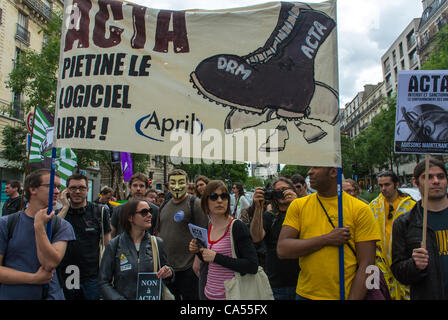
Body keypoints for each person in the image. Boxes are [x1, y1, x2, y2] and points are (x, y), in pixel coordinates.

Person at [277, 166, 380, 300]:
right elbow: (282, 249)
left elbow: (367, 264)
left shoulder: (360, 210)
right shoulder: (298, 205)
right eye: (310, 167)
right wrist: (326, 239)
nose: (309, 172)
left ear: (332, 172)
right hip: (304, 294)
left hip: (344, 295)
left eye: (316, 167)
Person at [0, 169, 75, 299]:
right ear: (32, 189)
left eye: (58, 187)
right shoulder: (6, 224)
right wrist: (34, 278)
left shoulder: (62, 226)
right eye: (51, 186)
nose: (57, 191)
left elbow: (49, 263)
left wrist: (39, 227)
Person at [189, 180, 258, 300]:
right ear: (206, 202)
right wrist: (198, 251)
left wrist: (216, 257)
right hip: (209, 293)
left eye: (224, 196)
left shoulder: (237, 227)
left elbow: (252, 266)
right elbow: (208, 260)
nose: (220, 200)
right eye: (214, 197)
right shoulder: (208, 227)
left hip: (232, 295)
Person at [391, 158, 448, 300]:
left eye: (440, 176)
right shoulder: (404, 223)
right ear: (416, 182)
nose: (436, 181)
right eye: (428, 177)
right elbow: (398, 272)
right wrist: (414, 265)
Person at [99, 199, 174, 300]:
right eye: (144, 212)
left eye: (150, 211)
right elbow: (103, 282)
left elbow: (167, 274)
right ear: (130, 217)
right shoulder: (115, 245)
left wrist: (169, 273)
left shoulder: (157, 243)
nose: (149, 215)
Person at [55, 173, 112, 300]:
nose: (77, 191)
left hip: (91, 276)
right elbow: (53, 233)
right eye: (73, 188)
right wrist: (64, 207)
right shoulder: (59, 214)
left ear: (87, 190)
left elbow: (108, 244)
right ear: (67, 191)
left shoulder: (99, 211)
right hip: (65, 275)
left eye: (81, 188)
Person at [154, 169, 209, 300]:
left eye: (181, 182)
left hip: (188, 269)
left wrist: (197, 263)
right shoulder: (164, 205)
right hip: (168, 270)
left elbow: (204, 236)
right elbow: (159, 233)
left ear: (187, 183)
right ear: (168, 185)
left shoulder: (195, 204)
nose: (177, 187)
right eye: (173, 183)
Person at [250, 177, 300, 300]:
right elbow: (256, 237)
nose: (281, 192)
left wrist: (298, 203)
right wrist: (258, 208)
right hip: (277, 282)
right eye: (277, 190)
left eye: (284, 189)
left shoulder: (303, 211)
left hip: (303, 281)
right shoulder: (269, 216)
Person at [369, 171, 415, 300]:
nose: (383, 188)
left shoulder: (412, 206)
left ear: (396, 184)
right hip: (381, 265)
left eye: (387, 184)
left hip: (405, 263)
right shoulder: (373, 206)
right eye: (380, 185)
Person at [110, 173, 159, 237]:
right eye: (135, 185)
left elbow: (158, 233)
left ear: (146, 188)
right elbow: (112, 233)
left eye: (141, 186)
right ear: (130, 188)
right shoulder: (118, 209)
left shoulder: (154, 210)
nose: (138, 189)